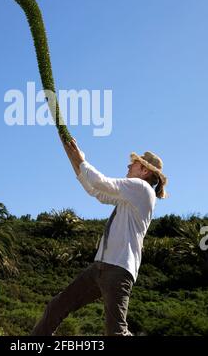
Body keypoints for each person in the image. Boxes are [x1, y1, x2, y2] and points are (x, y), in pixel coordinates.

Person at [31, 136, 168, 336]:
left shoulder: (142, 188)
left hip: (118, 269)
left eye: (134, 164)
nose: (128, 166)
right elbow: (95, 190)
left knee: (116, 332)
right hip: (100, 268)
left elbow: (100, 182)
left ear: (145, 171)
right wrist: (74, 158)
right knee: (57, 307)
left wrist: (81, 158)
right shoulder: (129, 198)